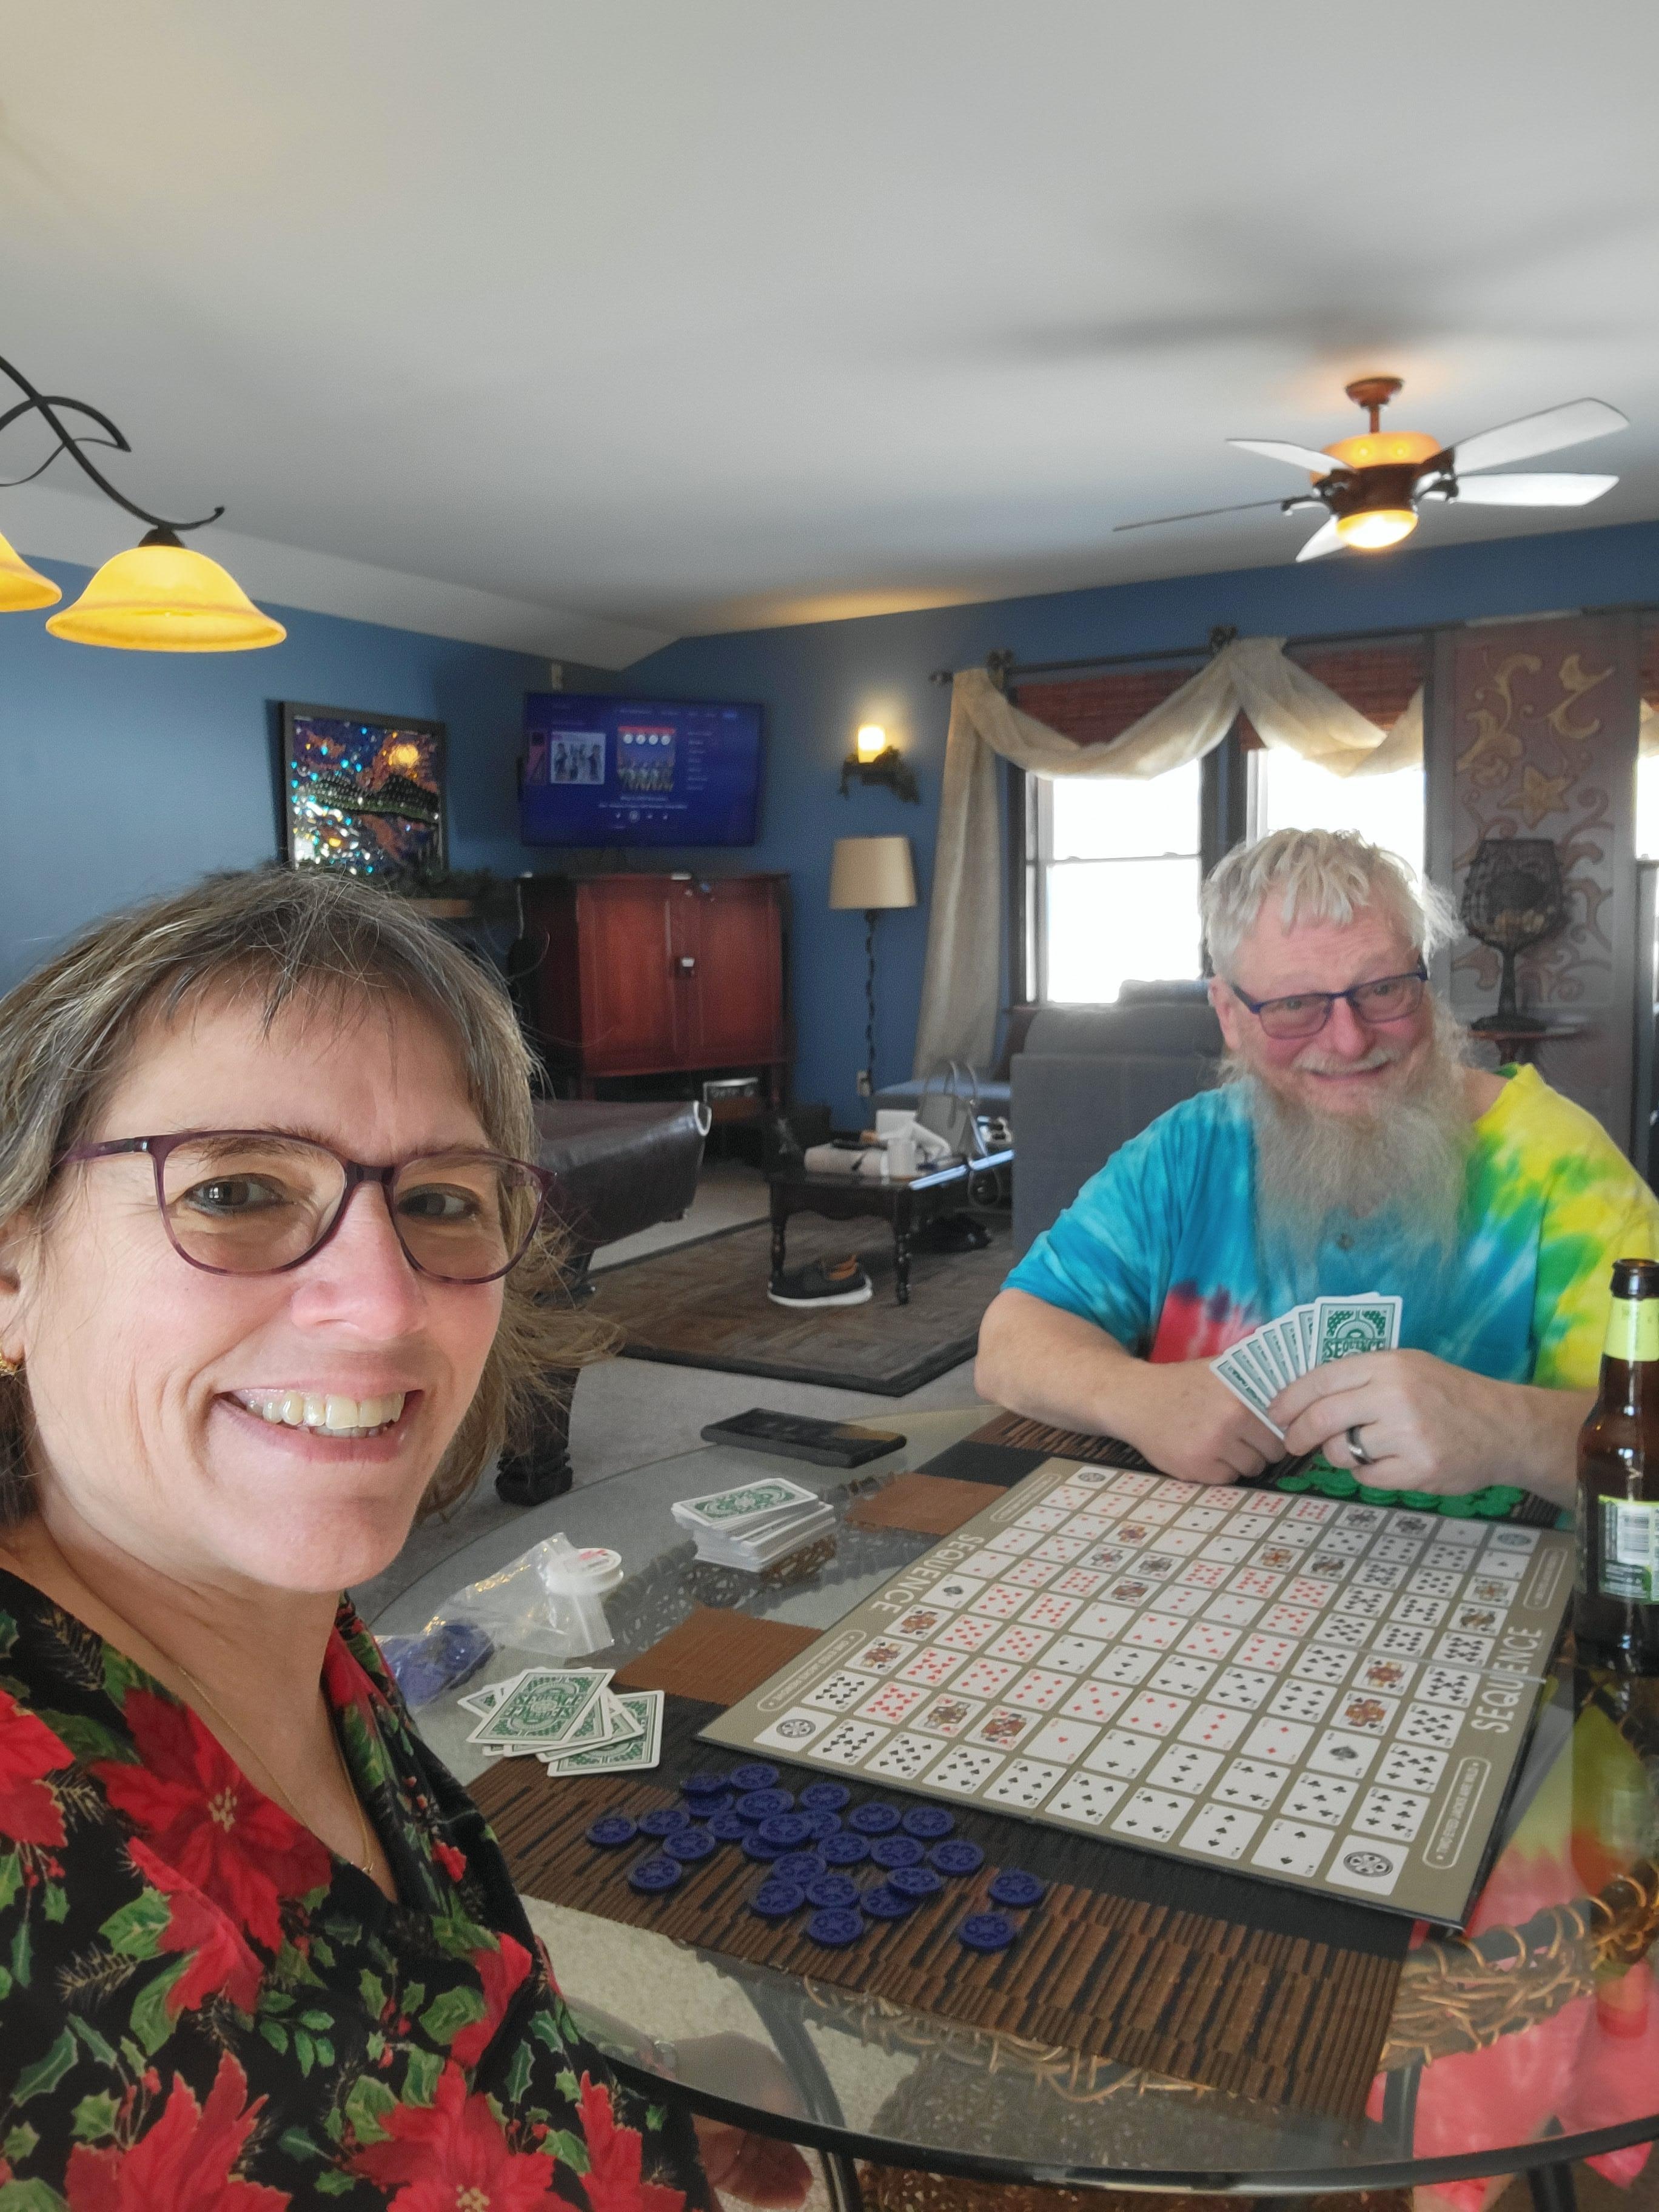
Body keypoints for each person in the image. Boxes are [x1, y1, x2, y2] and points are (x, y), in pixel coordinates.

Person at [0, 868, 808, 2208]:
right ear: (13, 1272)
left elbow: (404, 2024)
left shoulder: (290, 1620)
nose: (383, 1306)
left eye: (439, 1200)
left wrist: (633, 2106)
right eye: (235, 1189)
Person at [977, 828, 1659, 1508]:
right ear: (1229, 1015)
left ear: (1424, 982)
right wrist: (1137, 1397)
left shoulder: (1562, 1165)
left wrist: (1512, 1429)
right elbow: (1010, 1341)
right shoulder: (1188, 1149)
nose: (1349, 1040)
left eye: (1383, 989)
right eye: (1295, 1005)